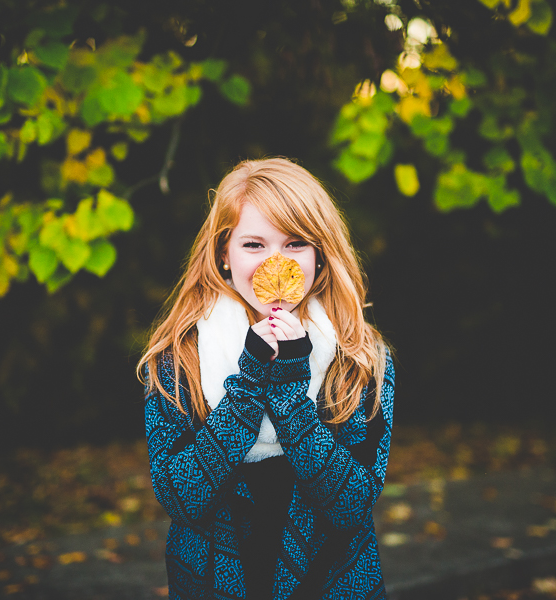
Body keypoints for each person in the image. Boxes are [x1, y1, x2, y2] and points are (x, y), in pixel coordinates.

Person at [138, 157, 395, 599]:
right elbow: (181, 498)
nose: (275, 262)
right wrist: (252, 374)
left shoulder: (361, 359)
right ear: (224, 254)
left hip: (330, 582)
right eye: (254, 244)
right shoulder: (179, 359)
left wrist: (292, 389)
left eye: (295, 243)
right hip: (216, 581)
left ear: (319, 254)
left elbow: (352, 504)